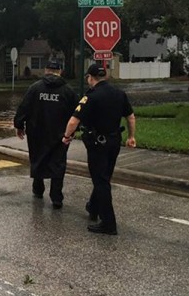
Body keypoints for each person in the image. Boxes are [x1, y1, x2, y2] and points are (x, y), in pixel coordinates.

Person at [62, 63, 136, 235]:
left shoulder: (91, 96)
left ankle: (108, 223)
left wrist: (67, 137)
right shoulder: (119, 94)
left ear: (90, 78)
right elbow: (130, 117)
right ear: (106, 76)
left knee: (100, 181)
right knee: (104, 176)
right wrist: (131, 137)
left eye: (88, 77)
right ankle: (93, 207)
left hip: (97, 144)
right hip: (114, 141)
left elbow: (73, 121)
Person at [13, 60, 79, 209]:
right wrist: (74, 130)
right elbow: (77, 112)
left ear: (45, 70)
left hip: (37, 132)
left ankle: (38, 189)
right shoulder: (68, 91)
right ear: (60, 71)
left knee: (38, 159)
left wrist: (19, 125)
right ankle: (56, 198)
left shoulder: (35, 88)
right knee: (58, 163)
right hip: (60, 134)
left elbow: (24, 108)